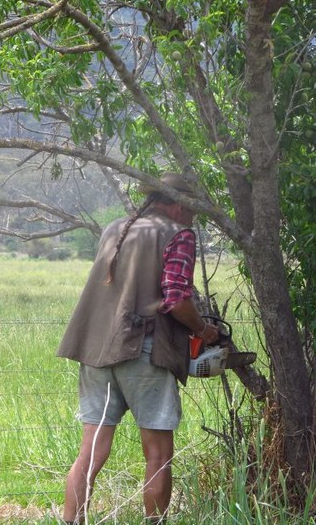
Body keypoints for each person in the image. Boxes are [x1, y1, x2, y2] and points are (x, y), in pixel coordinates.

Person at [57, 172, 220, 524]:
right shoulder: (179, 233)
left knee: (91, 451)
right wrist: (202, 329)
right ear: (179, 205)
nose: (193, 219)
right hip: (144, 351)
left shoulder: (115, 227)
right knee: (158, 454)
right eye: (193, 211)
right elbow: (176, 299)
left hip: (97, 350)